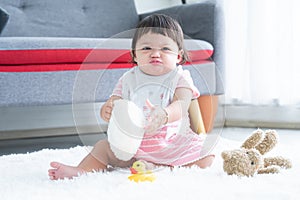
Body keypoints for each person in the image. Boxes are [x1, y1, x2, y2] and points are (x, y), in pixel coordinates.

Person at [48, 14, 215, 180]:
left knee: (207, 154)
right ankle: (81, 170)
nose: (155, 54)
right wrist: (106, 110)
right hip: (133, 144)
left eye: (165, 49)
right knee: (102, 148)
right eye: (146, 48)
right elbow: (115, 101)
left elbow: (182, 104)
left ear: (178, 56)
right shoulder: (128, 79)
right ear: (135, 55)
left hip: (170, 143)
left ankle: (159, 166)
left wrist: (165, 115)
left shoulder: (179, 78)